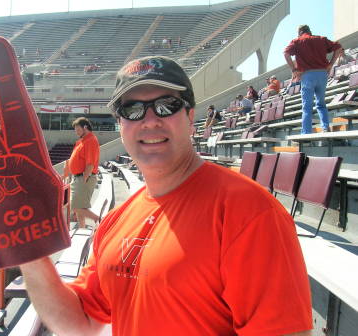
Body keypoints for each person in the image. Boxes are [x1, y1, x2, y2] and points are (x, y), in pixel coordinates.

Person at [20, 55, 312, 336]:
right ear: (120, 125)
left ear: (189, 116)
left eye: (166, 106)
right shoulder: (115, 221)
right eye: (132, 109)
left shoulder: (249, 212)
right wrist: (26, 250)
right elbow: (82, 323)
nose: (149, 120)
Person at [284, 24, 342, 134]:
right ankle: (325, 127)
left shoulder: (297, 41)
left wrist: (294, 70)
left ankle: (306, 133)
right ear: (310, 31)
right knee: (321, 103)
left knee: (307, 106)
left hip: (307, 75)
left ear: (300, 32)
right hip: (322, 74)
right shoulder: (321, 39)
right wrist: (330, 64)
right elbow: (338, 47)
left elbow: (286, 53)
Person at [64, 117, 100, 228]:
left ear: (85, 127)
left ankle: (99, 220)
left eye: (78, 129)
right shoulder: (82, 141)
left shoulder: (91, 140)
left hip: (84, 178)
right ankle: (82, 228)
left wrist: (84, 179)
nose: (76, 132)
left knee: (75, 207)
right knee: (79, 208)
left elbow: (90, 164)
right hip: (77, 178)